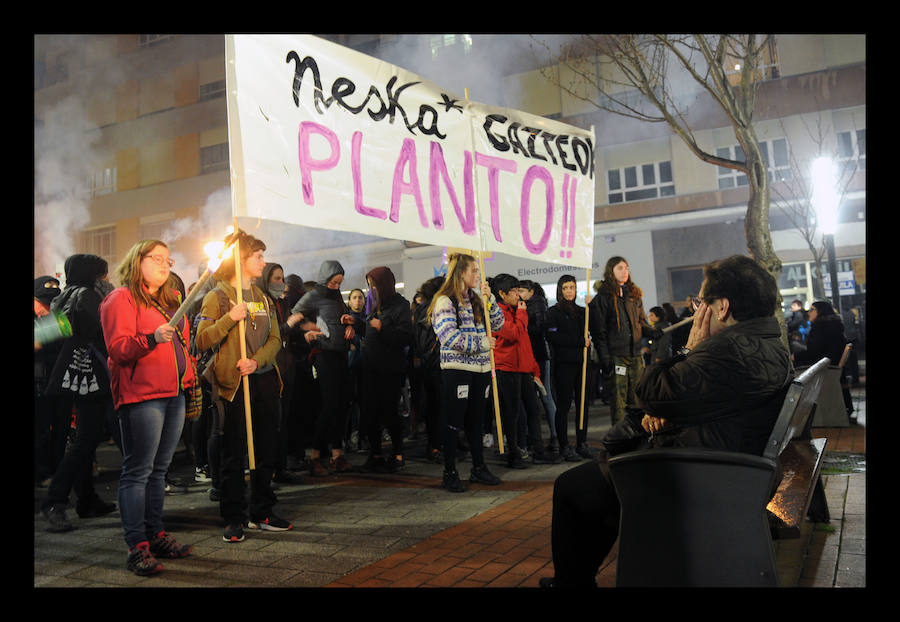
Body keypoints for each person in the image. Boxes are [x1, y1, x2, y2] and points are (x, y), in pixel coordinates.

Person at [540, 254, 792, 588]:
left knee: (573, 488)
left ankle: (572, 583)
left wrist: (689, 349)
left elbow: (647, 390)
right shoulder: (766, 343)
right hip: (729, 463)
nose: (697, 310)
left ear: (723, 307)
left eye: (702, 302)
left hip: (700, 477)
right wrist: (667, 411)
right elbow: (675, 398)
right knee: (594, 486)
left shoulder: (728, 351)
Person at [98, 240, 196, 575]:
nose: (164, 264)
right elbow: (119, 349)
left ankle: (156, 534)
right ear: (136, 260)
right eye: (156, 258)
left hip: (173, 393)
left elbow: (181, 344)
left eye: (168, 259)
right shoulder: (120, 298)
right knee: (138, 470)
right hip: (142, 395)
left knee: (159, 469)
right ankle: (136, 546)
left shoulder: (170, 300)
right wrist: (152, 337)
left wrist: (189, 371)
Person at [196, 231, 291, 543]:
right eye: (258, 256)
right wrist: (228, 319)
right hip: (233, 385)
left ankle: (262, 510)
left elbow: (276, 338)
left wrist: (256, 360)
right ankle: (233, 516)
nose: (263, 262)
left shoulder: (262, 298)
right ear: (240, 260)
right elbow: (201, 339)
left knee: (266, 449)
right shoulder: (217, 296)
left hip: (262, 378)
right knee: (234, 452)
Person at [40, 254, 117, 533]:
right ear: (93, 276)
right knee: (86, 439)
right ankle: (55, 502)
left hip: (74, 374)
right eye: (104, 275)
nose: (107, 281)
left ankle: (86, 498)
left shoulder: (64, 296)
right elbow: (104, 335)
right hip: (93, 375)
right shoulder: (87, 297)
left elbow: (51, 336)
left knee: (88, 436)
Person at [428, 253, 505, 492]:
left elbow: (499, 323)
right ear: (461, 272)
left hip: (481, 370)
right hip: (457, 370)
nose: (478, 275)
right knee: (453, 421)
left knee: (476, 421)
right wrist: (481, 344)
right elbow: (448, 336)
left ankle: (478, 468)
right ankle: (449, 472)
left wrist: (490, 297)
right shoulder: (445, 300)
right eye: (474, 271)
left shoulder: (478, 298)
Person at [292, 260, 364, 476]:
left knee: (342, 404)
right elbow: (295, 316)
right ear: (325, 278)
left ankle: (336, 454)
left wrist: (348, 325)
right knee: (330, 404)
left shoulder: (336, 297)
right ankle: (315, 455)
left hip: (340, 354)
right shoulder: (314, 295)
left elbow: (337, 320)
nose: (336, 286)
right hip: (323, 355)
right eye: (333, 282)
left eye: (339, 283)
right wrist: (308, 330)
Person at [490, 274, 556, 468]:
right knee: (512, 413)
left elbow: (524, 342)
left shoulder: (515, 310)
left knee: (533, 410)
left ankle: (538, 450)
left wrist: (533, 367)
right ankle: (514, 453)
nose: (518, 295)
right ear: (502, 293)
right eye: (514, 291)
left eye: (519, 290)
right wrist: (521, 315)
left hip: (523, 368)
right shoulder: (496, 313)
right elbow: (512, 334)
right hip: (506, 368)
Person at [590, 256, 656, 426]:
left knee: (637, 397)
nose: (624, 271)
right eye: (620, 268)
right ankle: (620, 437)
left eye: (626, 267)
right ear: (611, 271)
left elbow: (641, 323)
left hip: (635, 354)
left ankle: (638, 434)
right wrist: (605, 358)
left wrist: (653, 332)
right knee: (618, 400)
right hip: (616, 356)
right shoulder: (603, 297)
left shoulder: (634, 295)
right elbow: (599, 332)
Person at [359, 267, 414, 472]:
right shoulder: (373, 304)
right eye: (370, 286)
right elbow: (369, 329)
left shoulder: (401, 306)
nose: (371, 289)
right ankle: (375, 454)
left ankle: (397, 453)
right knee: (370, 412)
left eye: (374, 285)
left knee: (390, 412)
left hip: (390, 369)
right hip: (370, 368)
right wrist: (355, 324)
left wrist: (383, 328)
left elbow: (405, 337)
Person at [261, 262, 305, 485]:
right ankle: (267, 472)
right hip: (270, 368)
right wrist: (288, 325)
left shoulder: (282, 302)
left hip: (287, 367)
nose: (281, 283)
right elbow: (269, 333)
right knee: (271, 422)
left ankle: (281, 467)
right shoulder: (261, 303)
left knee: (283, 420)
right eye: (276, 279)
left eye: (282, 278)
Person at [545, 275, 598, 461]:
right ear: (560, 290)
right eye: (566, 287)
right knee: (564, 406)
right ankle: (564, 445)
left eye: (572, 287)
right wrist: (578, 342)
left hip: (582, 364)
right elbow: (553, 337)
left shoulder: (583, 311)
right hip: (563, 365)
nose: (569, 291)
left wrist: (593, 307)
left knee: (583, 405)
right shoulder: (553, 312)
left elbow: (595, 327)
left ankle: (582, 443)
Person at [518, 280, 559, 457]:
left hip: (539, 355)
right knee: (539, 397)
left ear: (530, 291)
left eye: (521, 290)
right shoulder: (530, 303)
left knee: (545, 395)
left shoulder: (536, 303)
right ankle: (551, 435)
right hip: (534, 355)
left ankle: (556, 435)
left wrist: (523, 322)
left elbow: (538, 328)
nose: (519, 293)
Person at [34, 276, 68, 487]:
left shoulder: (58, 315)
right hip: (38, 382)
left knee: (60, 429)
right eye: (43, 301)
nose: (47, 306)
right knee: (39, 430)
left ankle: (57, 469)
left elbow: (68, 335)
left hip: (58, 380)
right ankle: (41, 473)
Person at [794, 300, 854, 418]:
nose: (809, 313)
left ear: (820, 312)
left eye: (812, 310)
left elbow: (814, 352)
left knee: (794, 368)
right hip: (832, 365)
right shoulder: (833, 324)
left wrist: (795, 356)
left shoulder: (821, 327)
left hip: (825, 367)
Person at [412, 276, 446, 463]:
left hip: (432, 363)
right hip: (436, 363)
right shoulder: (430, 310)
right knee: (437, 405)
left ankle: (438, 444)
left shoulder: (423, 309)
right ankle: (435, 446)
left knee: (438, 405)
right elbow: (425, 340)